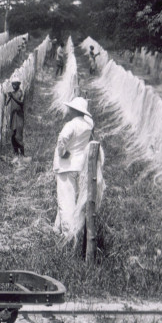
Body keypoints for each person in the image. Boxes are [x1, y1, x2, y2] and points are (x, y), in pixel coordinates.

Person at [53, 97, 94, 239]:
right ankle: (58, 229)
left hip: (66, 166)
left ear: (75, 111)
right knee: (72, 197)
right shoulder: (88, 125)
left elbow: (62, 139)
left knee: (66, 200)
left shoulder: (71, 125)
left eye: (71, 109)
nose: (69, 111)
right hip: (79, 166)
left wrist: (62, 153)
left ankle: (68, 236)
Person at [3, 79, 25, 155]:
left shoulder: (21, 93)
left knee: (18, 136)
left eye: (15, 84)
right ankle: (16, 152)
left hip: (19, 115)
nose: (13, 86)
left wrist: (12, 97)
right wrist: (6, 96)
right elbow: (6, 103)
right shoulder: (12, 93)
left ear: (18, 84)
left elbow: (21, 103)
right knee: (13, 136)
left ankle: (22, 154)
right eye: (12, 84)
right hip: (13, 115)